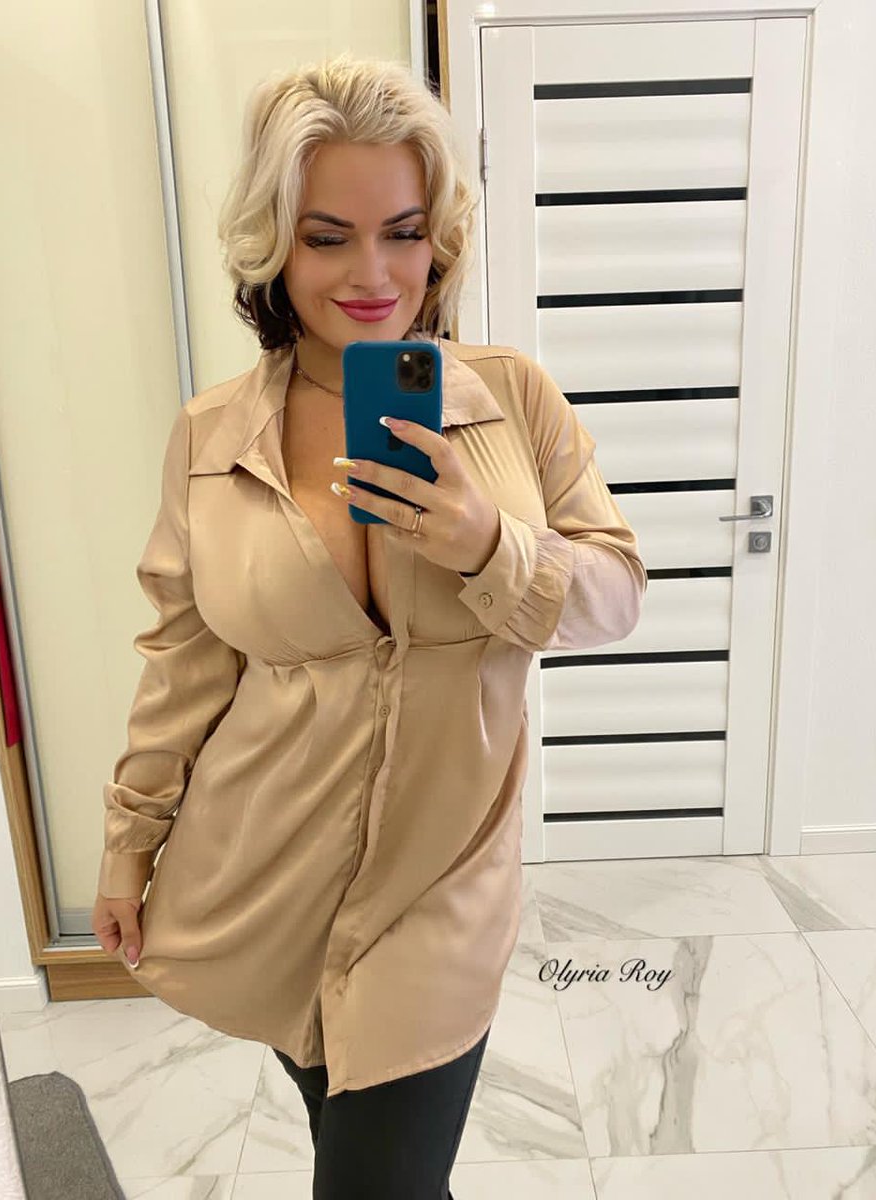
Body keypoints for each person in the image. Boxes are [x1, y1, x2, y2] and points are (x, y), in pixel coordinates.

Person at [91, 52, 648, 1198]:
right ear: (274, 245)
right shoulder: (211, 438)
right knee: (365, 1158)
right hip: (263, 865)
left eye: (402, 232)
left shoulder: (512, 402)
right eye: (327, 236)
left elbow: (617, 596)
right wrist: (129, 840)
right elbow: (186, 661)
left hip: (440, 878)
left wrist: (491, 545)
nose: (373, 273)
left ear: (440, 237)